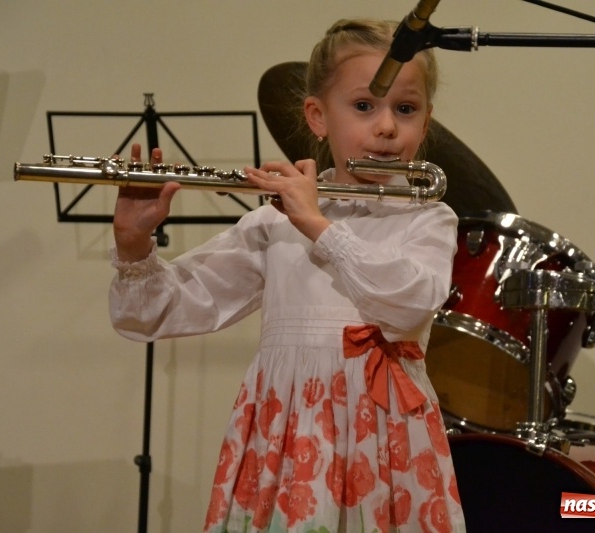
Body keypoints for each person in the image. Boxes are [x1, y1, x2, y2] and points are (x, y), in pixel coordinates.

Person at [109, 18, 465, 533]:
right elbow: (152, 313)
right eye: (364, 106)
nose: (387, 127)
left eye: (405, 109)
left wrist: (320, 226)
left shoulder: (428, 218)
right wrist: (132, 244)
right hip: (288, 440)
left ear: (425, 124)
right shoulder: (274, 223)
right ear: (318, 117)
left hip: (387, 443)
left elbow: (409, 302)